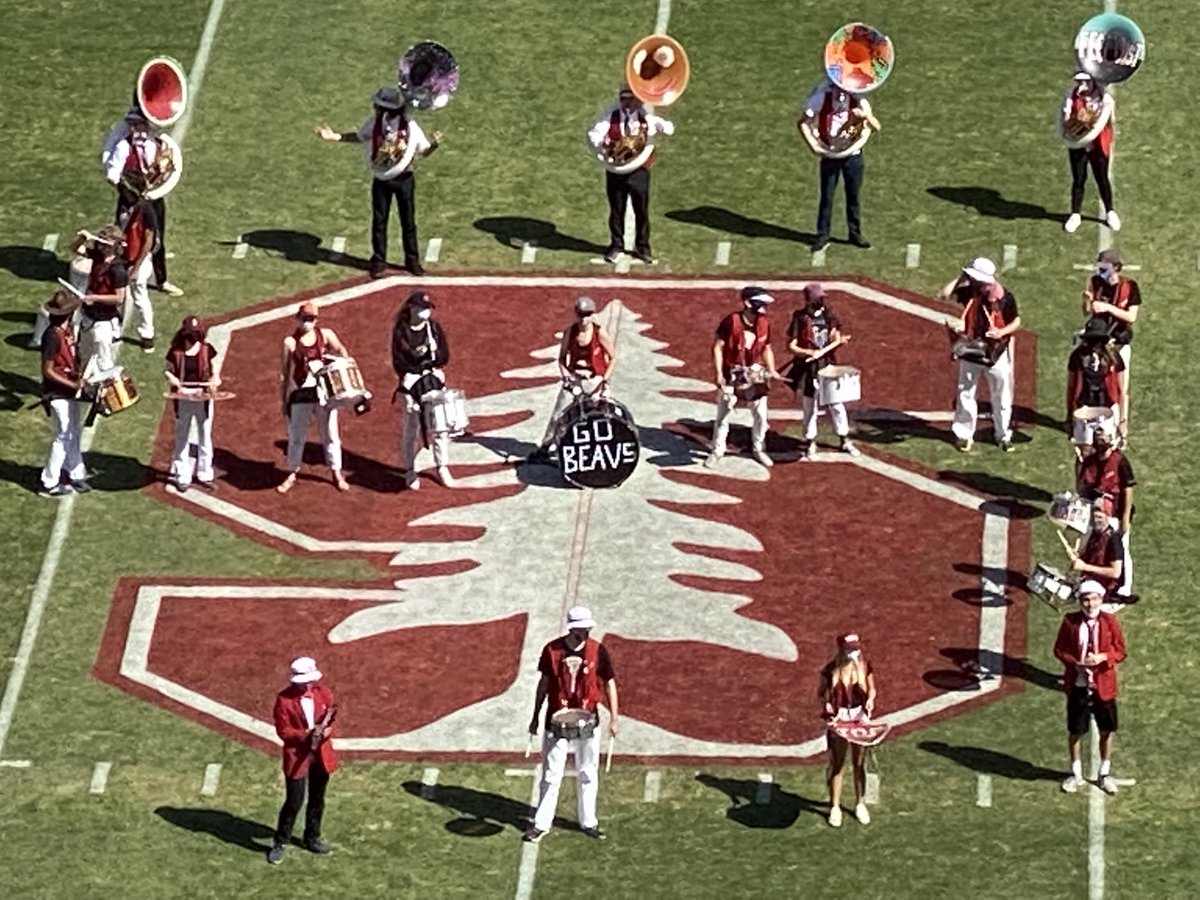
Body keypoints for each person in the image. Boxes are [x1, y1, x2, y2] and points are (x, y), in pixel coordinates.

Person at [316, 87, 442, 279]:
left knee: (408, 222)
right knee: (379, 222)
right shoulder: (374, 124)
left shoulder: (410, 126)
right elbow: (359, 136)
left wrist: (434, 145)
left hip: (404, 180)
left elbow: (423, 151)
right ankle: (379, 260)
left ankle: (412, 261)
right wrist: (336, 137)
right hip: (381, 180)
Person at [524, 605, 619, 844]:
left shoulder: (598, 650)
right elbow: (544, 684)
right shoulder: (552, 650)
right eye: (581, 629)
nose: (585, 633)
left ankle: (589, 821)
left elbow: (609, 683)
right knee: (551, 774)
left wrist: (615, 718)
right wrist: (535, 716)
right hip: (556, 719)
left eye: (587, 629)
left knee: (588, 771)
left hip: (589, 718)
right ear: (572, 629)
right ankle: (541, 823)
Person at [1053, 581, 1126, 794]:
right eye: (1085, 599)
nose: (1090, 603)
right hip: (1078, 685)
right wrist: (1076, 664)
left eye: (1094, 599)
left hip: (1104, 685)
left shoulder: (1110, 622)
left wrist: (1104, 657)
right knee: (1075, 731)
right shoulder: (1070, 622)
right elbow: (1059, 650)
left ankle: (1104, 772)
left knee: (1107, 729)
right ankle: (1076, 773)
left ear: (1101, 600)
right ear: (1080, 602)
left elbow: (1121, 651)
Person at [588, 84, 674, 264]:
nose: (627, 103)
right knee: (616, 209)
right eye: (623, 99)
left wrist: (657, 124)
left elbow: (669, 129)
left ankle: (643, 247)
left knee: (641, 209)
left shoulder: (645, 116)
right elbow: (594, 134)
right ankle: (616, 245)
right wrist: (605, 144)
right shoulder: (611, 116)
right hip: (615, 171)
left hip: (639, 170)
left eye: (631, 99)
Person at [101, 106, 182, 295]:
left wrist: (158, 183)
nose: (134, 129)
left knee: (157, 238)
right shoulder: (123, 146)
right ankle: (117, 276)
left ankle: (162, 280)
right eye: (132, 124)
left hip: (153, 197)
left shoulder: (156, 144)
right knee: (122, 237)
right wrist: (127, 191)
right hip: (130, 199)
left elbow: (167, 169)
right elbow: (112, 175)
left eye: (138, 124)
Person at [269, 656, 339, 864]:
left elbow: (331, 718)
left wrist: (325, 731)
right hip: (297, 756)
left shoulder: (323, 693)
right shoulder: (283, 700)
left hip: (321, 754)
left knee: (317, 799)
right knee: (294, 802)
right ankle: (281, 841)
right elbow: (284, 732)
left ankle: (313, 837)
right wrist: (307, 734)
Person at [529, 296, 616, 463]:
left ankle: (599, 450)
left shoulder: (600, 333)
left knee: (600, 416)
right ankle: (546, 447)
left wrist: (604, 381)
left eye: (588, 314)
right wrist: (566, 376)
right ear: (576, 314)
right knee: (559, 414)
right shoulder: (570, 333)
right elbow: (562, 358)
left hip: (595, 380)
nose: (584, 319)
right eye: (581, 314)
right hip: (575, 379)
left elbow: (613, 358)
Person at [797, 78, 880, 252]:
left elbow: (876, 127)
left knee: (853, 197)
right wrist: (814, 146)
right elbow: (803, 122)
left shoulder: (859, 101)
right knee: (827, 197)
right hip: (830, 154)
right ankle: (822, 235)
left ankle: (855, 234)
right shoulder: (821, 99)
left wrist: (864, 116)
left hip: (853, 155)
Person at [704, 286, 783, 469]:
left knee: (761, 415)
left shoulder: (764, 323)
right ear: (748, 303)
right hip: (731, 373)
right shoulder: (731, 321)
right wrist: (718, 374)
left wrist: (772, 369)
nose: (764, 307)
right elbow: (717, 347)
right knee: (723, 416)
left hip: (754, 373)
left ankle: (758, 448)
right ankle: (717, 450)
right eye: (760, 302)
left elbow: (767, 348)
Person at [947, 257, 1021, 453]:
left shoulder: (1005, 298)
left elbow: (1016, 321)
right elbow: (943, 294)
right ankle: (964, 434)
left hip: (996, 354)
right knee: (965, 393)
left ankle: (1003, 434)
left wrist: (1001, 333)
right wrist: (961, 276)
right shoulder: (970, 291)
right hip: (972, 351)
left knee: (1002, 397)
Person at [277, 302, 351, 494]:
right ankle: (292, 472)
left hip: (323, 394)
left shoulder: (325, 335)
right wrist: (284, 401)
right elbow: (285, 374)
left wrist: (341, 367)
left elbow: (341, 350)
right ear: (298, 318)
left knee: (330, 435)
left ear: (316, 320)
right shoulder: (290, 343)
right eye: (304, 318)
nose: (307, 322)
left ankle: (336, 472)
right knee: (296, 436)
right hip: (300, 394)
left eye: (310, 319)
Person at [787, 284, 860, 460]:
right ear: (810, 299)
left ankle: (844, 439)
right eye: (818, 298)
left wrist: (837, 342)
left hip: (827, 367)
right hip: (808, 368)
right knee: (810, 406)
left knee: (836, 404)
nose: (822, 301)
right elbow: (791, 346)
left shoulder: (829, 316)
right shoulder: (800, 318)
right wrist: (809, 353)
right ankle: (810, 441)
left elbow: (835, 337)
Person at [391, 291, 454, 489]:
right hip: (411, 383)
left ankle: (442, 466)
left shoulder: (434, 328)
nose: (426, 312)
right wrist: (415, 358)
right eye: (422, 308)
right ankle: (410, 470)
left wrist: (429, 357)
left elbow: (444, 356)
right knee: (411, 428)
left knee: (439, 426)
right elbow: (398, 362)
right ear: (412, 308)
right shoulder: (401, 331)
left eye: (427, 308)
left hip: (432, 379)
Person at [817, 633, 878, 827]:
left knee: (859, 763)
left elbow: (872, 689)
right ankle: (835, 807)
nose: (854, 652)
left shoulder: (865, 666)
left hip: (859, 716)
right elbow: (821, 693)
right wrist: (827, 705)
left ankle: (860, 803)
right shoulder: (830, 671)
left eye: (856, 648)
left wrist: (870, 700)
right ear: (841, 650)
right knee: (838, 764)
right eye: (850, 649)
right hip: (840, 718)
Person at [1081, 248, 1140, 432]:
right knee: (1094, 382)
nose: (1101, 273)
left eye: (1104, 269)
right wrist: (1086, 301)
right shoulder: (1095, 282)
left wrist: (1107, 307)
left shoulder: (1129, 286)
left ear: (1116, 267)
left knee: (1121, 386)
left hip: (1118, 342)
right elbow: (1087, 312)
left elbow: (1131, 317)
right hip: (1096, 343)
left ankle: (1123, 422)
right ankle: (1095, 421)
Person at [38, 291, 90, 497]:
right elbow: (48, 370)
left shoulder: (66, 332)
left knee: (73, 432)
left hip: (68, 390)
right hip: (57, 393)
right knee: (63, 436)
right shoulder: (52, 336)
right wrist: (72, 383)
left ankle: (75, 472)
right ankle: (48, 481)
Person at [164, 315, 221, 493]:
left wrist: (214, 380)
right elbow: (167, 370)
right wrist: (175, 382)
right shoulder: (175, 352)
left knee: (205, 434)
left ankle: (205, 473)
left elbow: (214, 370)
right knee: (182, 435)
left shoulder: (206, 349)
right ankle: (182, 474)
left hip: (202, 396)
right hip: (183, 397)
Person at [1062, 74, 1119, 234]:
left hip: (1098, 145)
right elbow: (1066, 118)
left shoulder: (1103, 98)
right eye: (1078, 81)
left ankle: (1110, 211)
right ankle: (1075, 214)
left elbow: (1110, 120)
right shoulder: (1071, 95)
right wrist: (1075, 122)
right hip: (1078, 144)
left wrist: (1094, 119)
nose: (1080, 84)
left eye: (1084, 81)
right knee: (1078, 179)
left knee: (1102, 179)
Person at [70, 225, 128, 373]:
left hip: (105, 318)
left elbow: (119, 298)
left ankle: (106, 391)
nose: (101, 247)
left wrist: (95, 298)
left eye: (104, 244)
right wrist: (81, 239)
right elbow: (74, 249)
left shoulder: (118, 269)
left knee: (104, 360)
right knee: (83, 354)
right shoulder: (97, 256)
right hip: (89, 314)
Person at [114, 170, 160, 353]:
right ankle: (116, 327)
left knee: (139, 297)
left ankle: (147, 334)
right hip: (122, 255)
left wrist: (136, 266)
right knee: (119, 295)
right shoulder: (124, 202)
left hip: (137, 258)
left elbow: (148, 241)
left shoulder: (146, 209)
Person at [1066, 317, 1125, 444]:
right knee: (1084, 450)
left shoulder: (1113, 359)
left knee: (1107, 448)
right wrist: (1069, 418)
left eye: (1097, 340)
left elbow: (1122, 391)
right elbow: (1071, 389)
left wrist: (1123, 420)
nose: (1093, 345)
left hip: (1108, 409)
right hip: (1084, 409)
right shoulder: (1077, 357)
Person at [1063, 497, 1128, 601]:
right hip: (1090, 580)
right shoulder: (1094, 533)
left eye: (1099, 517)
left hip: (1106, 588)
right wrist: (1077, 556)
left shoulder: (1114, 540)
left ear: (1108, 516)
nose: (1096, 520)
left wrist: (1084, 567)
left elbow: (1115, 573)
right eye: (1094, 517)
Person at [1076, 428, 1135, 535]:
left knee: (1118, 550)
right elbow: (1081, 489)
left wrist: (1125, 519)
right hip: (1094, 515)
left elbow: (1128, 490)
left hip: (1115, 515)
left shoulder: (1120, 461)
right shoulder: (1089, 462)